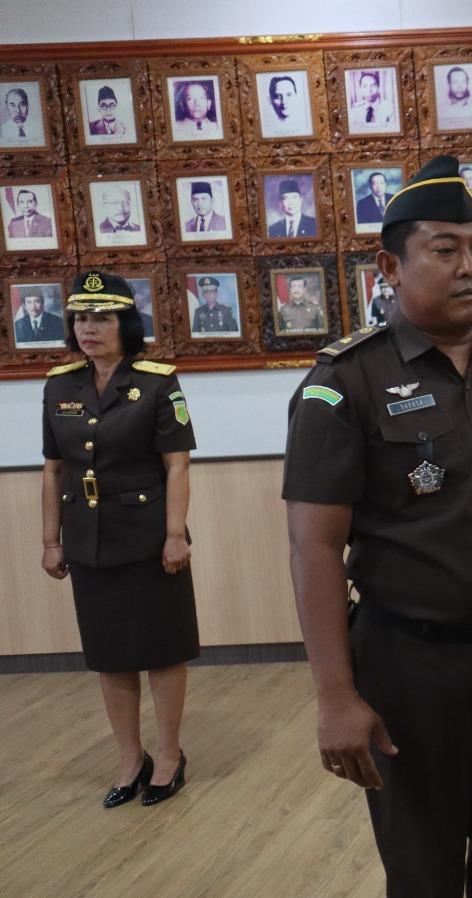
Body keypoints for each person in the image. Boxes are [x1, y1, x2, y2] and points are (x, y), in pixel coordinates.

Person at [283, 155, 472, 898]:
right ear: (390, 265)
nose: (470, 265)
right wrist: (334, 697)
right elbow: (315, 546)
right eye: (445, 249)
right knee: (425, 871)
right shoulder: (343, 383)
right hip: (412, 666)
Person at [39, 271, 198, 808]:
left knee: (162, 647)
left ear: (126, 322)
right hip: (88, 538)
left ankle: (170, 755)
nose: (89, 328)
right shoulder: (60, 385)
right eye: (81, 318)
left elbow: (177, 464)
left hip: (150, 535)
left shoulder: (156, 382)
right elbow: (53, 469)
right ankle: (131, 758)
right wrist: (50, 540)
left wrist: (175, 534)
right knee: (109, 654)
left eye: (102, 317)